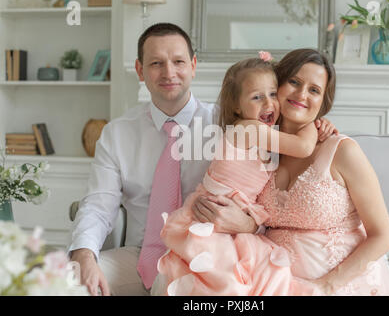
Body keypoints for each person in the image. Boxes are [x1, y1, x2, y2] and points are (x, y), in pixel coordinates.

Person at [68, 23, 335, 296]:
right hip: (140, 256)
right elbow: (98, 206)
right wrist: (84, 256)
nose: (169, 72)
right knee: (64, 281)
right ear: (140, 70)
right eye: (156, 63)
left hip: (212, 254)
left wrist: (249, 224)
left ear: (193, 65)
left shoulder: (231, 124)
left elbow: (270, 194)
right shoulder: (117, 133)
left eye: (178, 61)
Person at [194, 48, 389, 296]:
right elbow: (262, 223)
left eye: (314, 90)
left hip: (340, 287)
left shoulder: (343, 151)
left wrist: (327, 285)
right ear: (277, 84)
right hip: (276, 284)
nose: (301, 94)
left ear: (323, 101)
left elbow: (383, 236)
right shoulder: (260, 153)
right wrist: (247, 225)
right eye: (294, 82)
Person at [155, 56, 331, 295]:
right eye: (257, 97)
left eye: (272, 94)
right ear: (237, 106)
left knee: (262, 276)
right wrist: (314, 123)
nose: (268, 104)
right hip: (212, 219)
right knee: (225, 284)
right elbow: (303, 147)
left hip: (234, 221)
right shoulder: (248, 128)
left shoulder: (268, 139)